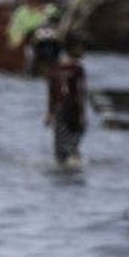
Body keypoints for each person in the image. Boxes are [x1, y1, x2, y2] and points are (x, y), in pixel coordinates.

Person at [45, 38, 87, 167]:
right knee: (76, 135)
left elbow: (51, 92)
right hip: (72, 107)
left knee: (60, 140)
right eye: (80, 48)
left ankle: (63, 161)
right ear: (72, 50)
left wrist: (49, 112)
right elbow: (81, 92)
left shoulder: (54, 68)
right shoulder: (77, 69)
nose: (83, 52)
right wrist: (83, 113)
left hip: (59, 107)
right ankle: (73, 160)